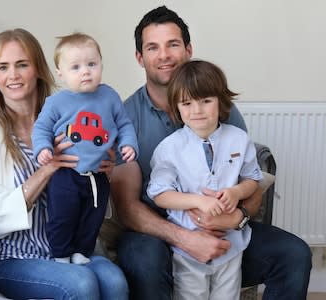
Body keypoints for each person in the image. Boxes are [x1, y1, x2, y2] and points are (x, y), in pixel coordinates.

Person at [109, 5, 312, 300]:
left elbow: (251, 182)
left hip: (223, 227)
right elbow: (127, 208)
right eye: (153, 47)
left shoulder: (222, 112)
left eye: (173, 44)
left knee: (294, 254)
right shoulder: (127, 118)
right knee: (143, 259)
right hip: (154, 233)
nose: (164, 55)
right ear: (140, 58)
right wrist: (186, 238)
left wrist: (236, 219)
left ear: (188, 49)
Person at [0, 28, 128, 299]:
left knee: (114, 280)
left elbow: (92, 200)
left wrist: (101, 169)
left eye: (22, 64)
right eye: (3, 67)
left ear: (39, 70)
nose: (13, 75)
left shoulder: (68, 117)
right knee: (80, 283)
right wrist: (47, 168)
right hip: (11, 258)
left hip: (68, 250)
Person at [147, 60, 263, 299]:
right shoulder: (169, 148)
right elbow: (159, 194)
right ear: (176, 107)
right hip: (188, 249)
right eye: (187, 103)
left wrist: (236, 193)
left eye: (206, 101)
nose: (197, 111)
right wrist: (198, 202)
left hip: (231, 245)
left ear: (220, 101)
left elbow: (253, 180)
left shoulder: (239, 139)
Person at [32, 32, 138, 264]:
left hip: (97, 174)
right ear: (60, 74)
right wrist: (42, 148)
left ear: (101, 64)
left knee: (94, 215)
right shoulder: (56, 102)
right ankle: (60, 253)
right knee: (62, 215)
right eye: (76, 67)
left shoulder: (109, 96)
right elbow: (41, 128)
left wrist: (129, 144)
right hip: (66, 174)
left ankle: (82, 251)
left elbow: (124, 124)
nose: (86, 71)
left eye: (92, 64)